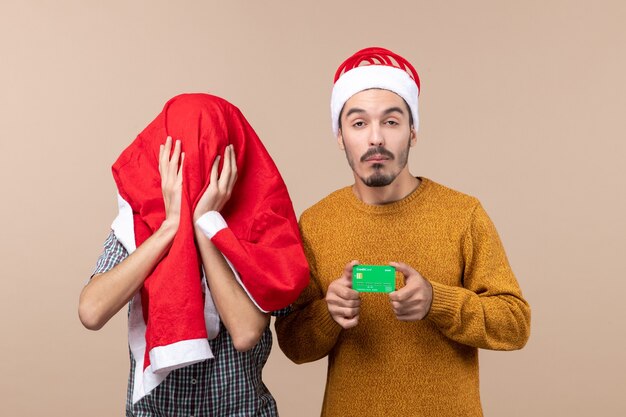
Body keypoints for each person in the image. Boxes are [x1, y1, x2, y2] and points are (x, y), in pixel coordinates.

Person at [275, 47, 531, 417]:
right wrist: (328, 314)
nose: (375, 138)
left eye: (391, 122)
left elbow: (515, 325)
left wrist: (436, 302)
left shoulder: (463, 214)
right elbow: (294, 345)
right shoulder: (315, 223)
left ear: (412, 132)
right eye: (358, 123)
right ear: (340, 136)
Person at [79, 93, 309, 416]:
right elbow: (91, 311)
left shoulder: (261, 225)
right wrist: (169, 229)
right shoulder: (140, 224)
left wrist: (205, 227)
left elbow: (245, 332)